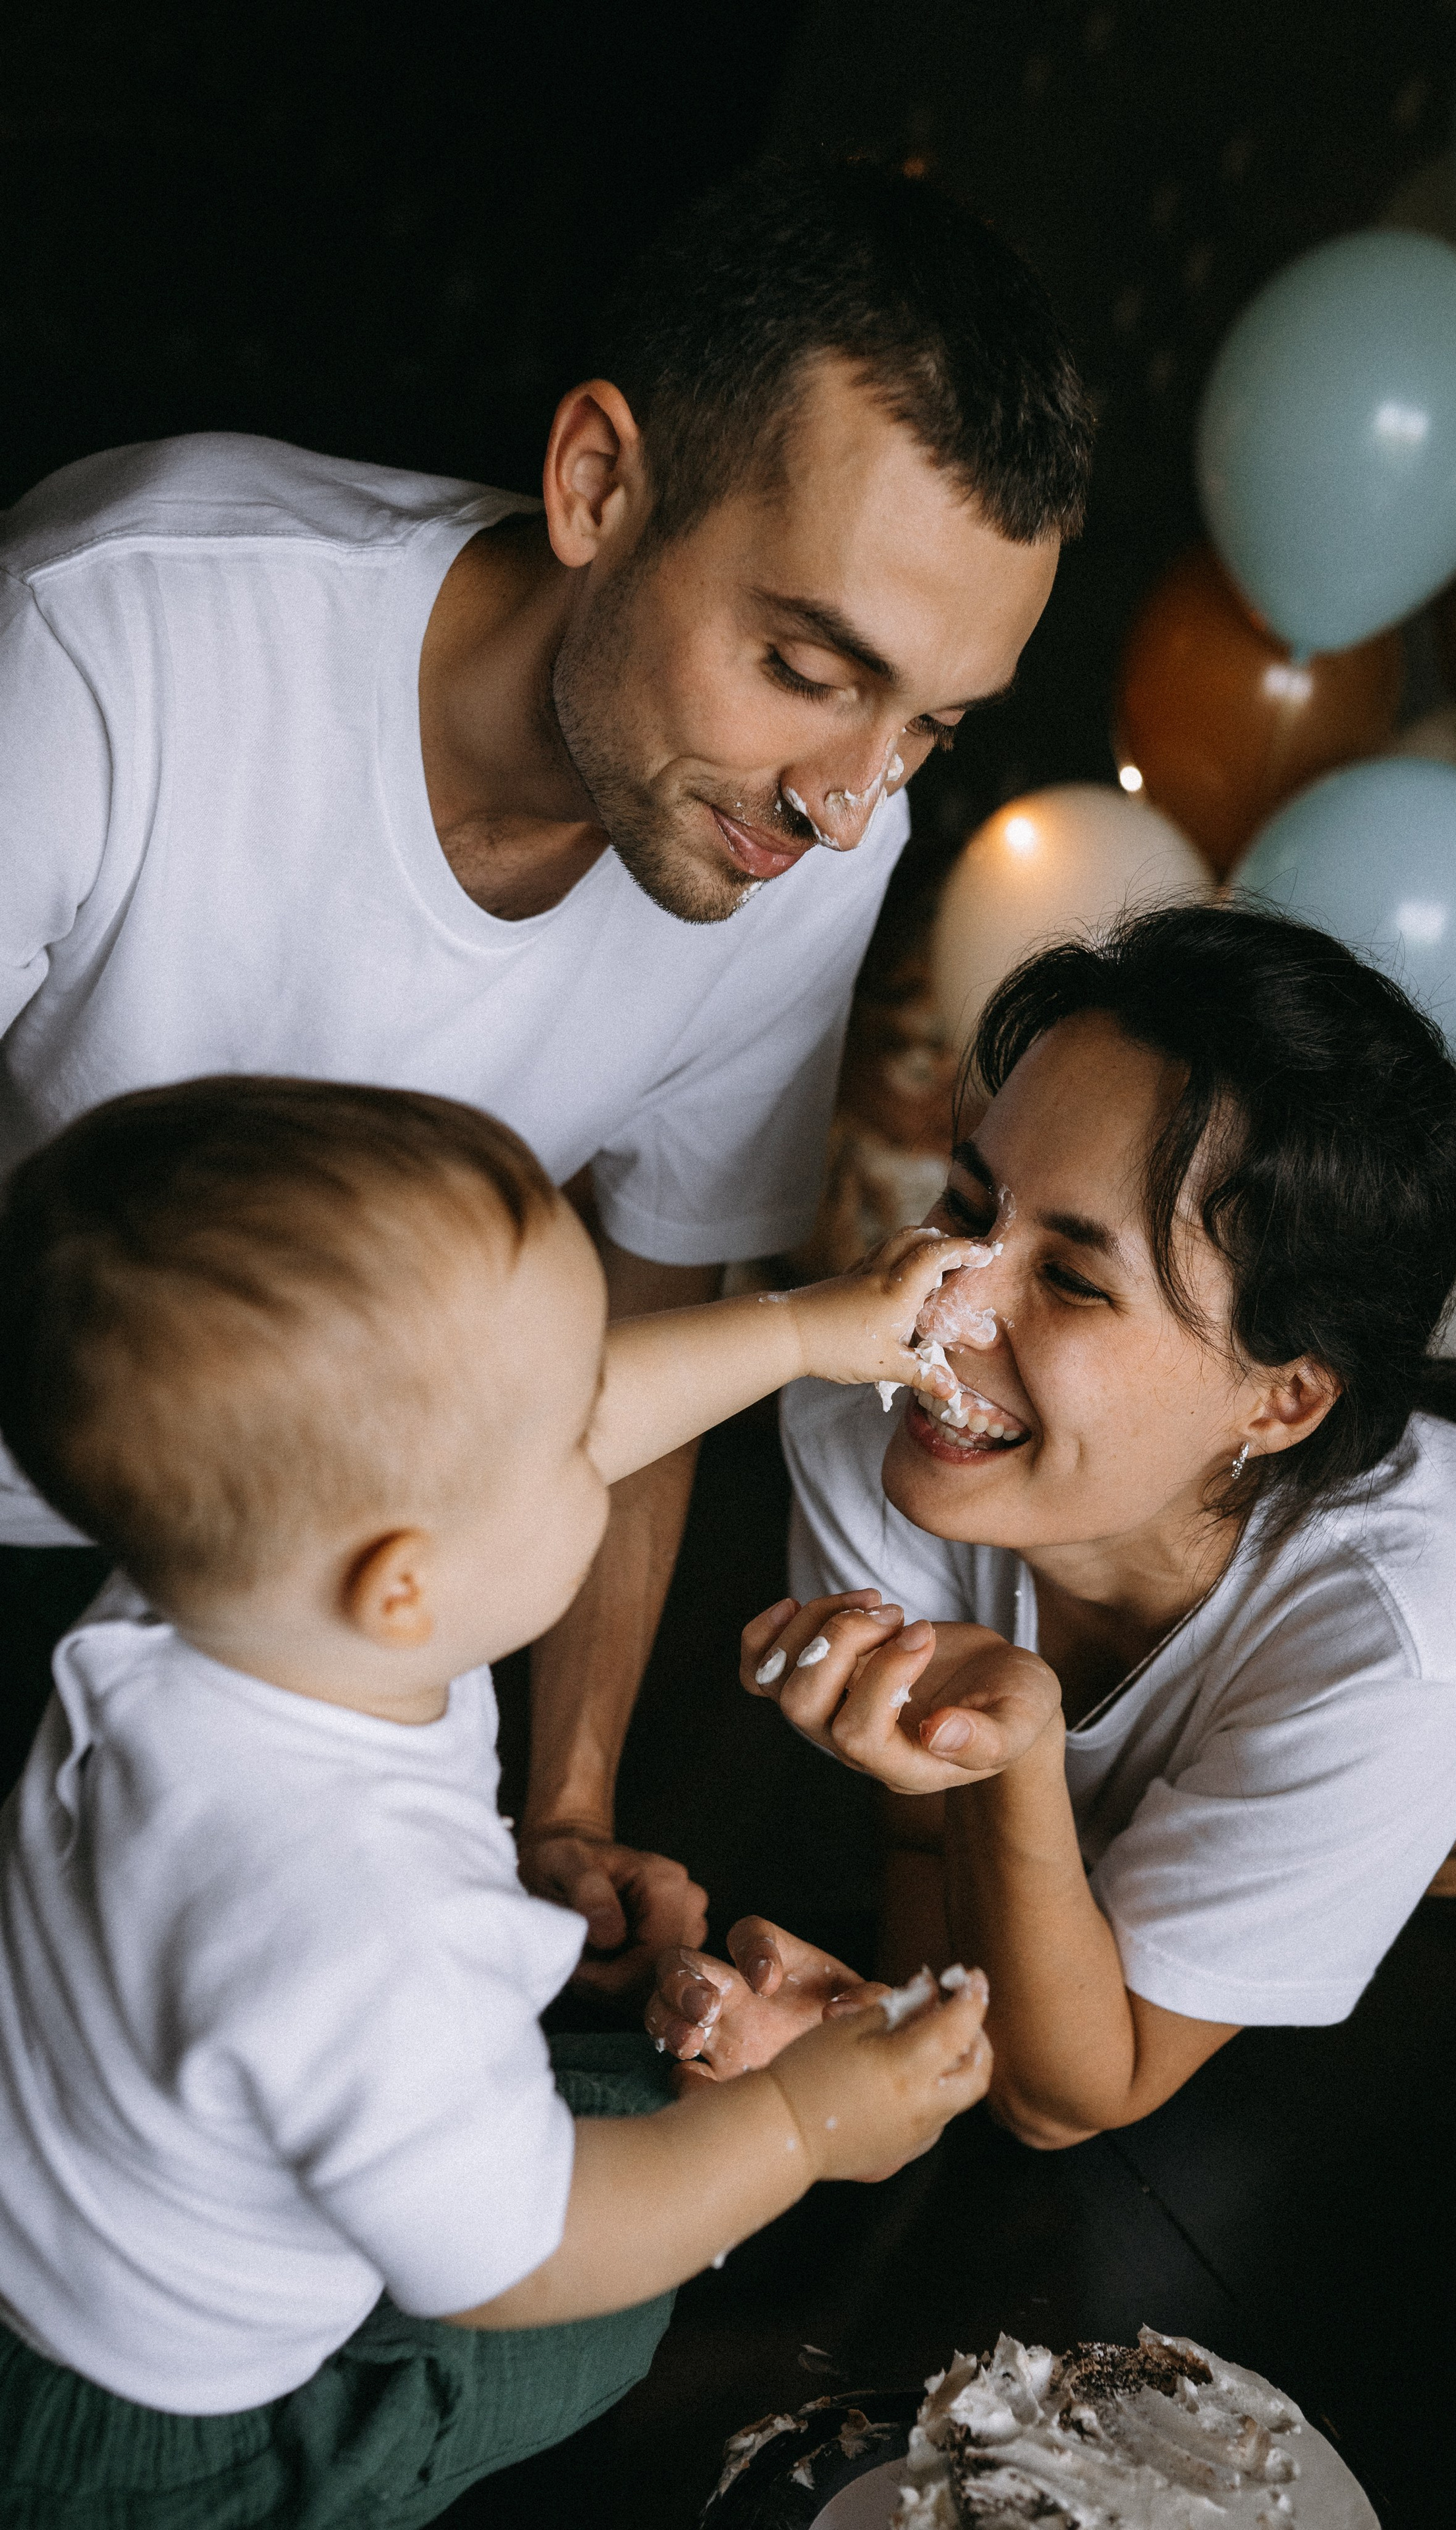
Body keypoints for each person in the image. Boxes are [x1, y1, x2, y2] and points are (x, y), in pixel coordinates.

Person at [0, 159, 1093, 1993]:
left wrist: (560, 1812)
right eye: (806, 667)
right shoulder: (112, 632)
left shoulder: (803, 849)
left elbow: (651, 1306)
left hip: (341, 1631)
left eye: (928, 729)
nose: (845, 805)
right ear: (598, 483)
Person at [0, 1074, 993, 2525]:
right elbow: (519, 2261)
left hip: (89, 2214)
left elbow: (561, 1424)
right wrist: (800, 2133)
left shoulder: (204, 1596)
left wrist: (810, 1329)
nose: (601, 1442)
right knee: (610, 2306)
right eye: (563, 1438)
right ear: (402, 1580)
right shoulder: (362, 1918)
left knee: (609, 2111)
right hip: (163, 2438)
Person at [646, 905, 1456, 2142]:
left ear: (1285, 1398)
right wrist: (895, 2037)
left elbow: (1070, 2100)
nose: (939, 1310)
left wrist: (1022, 1755)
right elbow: (923, 1839)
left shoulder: (1420, 1636)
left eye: (1069, 1277)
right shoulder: (871, 1411)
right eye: (968, 1202)